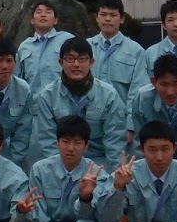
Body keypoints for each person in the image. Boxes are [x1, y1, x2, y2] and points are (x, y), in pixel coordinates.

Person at [28, 37, 127, 167]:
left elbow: (115, 144)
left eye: (82, 59)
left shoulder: (109, 95)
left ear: (91, 62)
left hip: (97, 163)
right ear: (61, 62)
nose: (76, 64)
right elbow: (47, 142)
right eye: (70, 59)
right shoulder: (47, 96)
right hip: (61, 163)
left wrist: (113, 180)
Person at [88, 0, 145, 105]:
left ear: (122, 19)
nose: (107, 19)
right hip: (89, 116)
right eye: (103, 14)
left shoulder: (136, 51)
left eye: (113, 15)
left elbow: (137, 91)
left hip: (120, 118)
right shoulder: (86, 47)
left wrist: (130, 120)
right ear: (96, 17)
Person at [16, 1, 73, 90]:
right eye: (39, 12)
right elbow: (18, 79)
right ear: (32, 20)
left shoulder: (67, 40)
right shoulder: (24, 46)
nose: (43, 15)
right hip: (33, 101)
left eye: (48, 12)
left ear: (55, 20)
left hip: (61, 99)